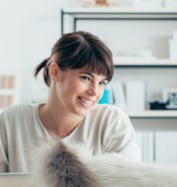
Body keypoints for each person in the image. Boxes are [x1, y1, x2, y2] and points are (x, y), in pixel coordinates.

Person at [0, 31, 140, 173]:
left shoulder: (111, 121)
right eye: (86, 78)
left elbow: (131, 185)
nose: (95, 92)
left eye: (102, 83)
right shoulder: (11, 121)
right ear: (55, 72)